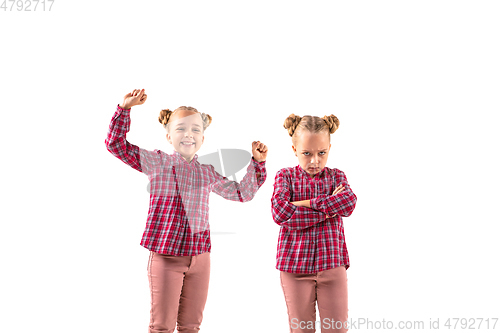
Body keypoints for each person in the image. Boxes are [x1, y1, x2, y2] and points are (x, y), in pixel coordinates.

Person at [105, 89, 268, 333]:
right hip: (166, 256)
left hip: (200, 258)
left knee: (191, 326)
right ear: (168, 136)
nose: (188, 134)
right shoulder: (156, 162)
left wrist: (257, 163)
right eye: (180, 128)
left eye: (195, 129)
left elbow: (243, 193)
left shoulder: (207, 172)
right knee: (162, 326)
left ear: (203, 138)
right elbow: (115, 145)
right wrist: (124, 109)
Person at [271, 113, 357, 333]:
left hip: (332, 264)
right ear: (294, 150)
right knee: (301, 330)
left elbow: (348, 204)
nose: (314, 161)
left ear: (329, 147)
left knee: (337, 329)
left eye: (322, 153)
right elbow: (281, 212)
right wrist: (328, 210)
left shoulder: (337, 177)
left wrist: (304, 203)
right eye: (306, 153)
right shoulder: (285, 176)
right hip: (294, 267)